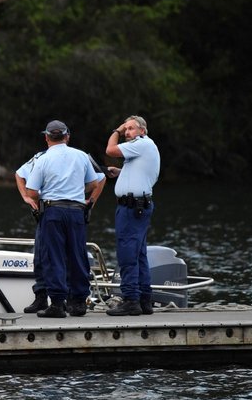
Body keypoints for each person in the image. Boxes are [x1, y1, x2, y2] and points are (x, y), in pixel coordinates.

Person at [24, 120, 105, 318]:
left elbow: (32, 191)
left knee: (54, 257)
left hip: (53, 211)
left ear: (46, 137)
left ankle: (58, 304)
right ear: (67, 136)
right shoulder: (81, 156)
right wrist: (77, 190)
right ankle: (78, 302)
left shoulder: (42, 159)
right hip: (77, 211)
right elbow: (94, 183)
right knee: (77, 255)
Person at [105, 115, 161, 316]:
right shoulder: (144, 147)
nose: (127, 132)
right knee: (139, 255)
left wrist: (116, 130)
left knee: (127, 255)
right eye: (125, 129)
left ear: (142, 131)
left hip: (131, 209)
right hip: (137, 206)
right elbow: (141, 172)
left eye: (130, 128)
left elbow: (110, 150)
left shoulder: (141, 144)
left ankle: (130, 301)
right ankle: (145, 300)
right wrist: (121, 172)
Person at [15, 148, 46, 313]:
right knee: (40, 256)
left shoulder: (76, 156)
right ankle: (41, 297)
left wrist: (88, 201)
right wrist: (26, 197)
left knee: (64, 256)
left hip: (66, 209)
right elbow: (20, 174)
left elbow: (99, 177)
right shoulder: (40, 157)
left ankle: (66, 299)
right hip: (45, 210)